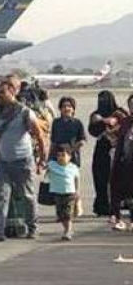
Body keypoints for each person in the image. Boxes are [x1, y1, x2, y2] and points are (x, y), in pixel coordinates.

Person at [0, 76, 47, 241]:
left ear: (12, 92)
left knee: (28, 196)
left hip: (23, 161)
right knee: (1, 196)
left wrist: (42, 159)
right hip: (3, 161)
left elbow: (39, 135)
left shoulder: (24, 112)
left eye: (2, 92)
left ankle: (33, 227)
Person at [88, 90, 125, 218]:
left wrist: (103, 121)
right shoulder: (95, 114)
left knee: (117, 179)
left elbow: (123, 125)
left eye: (105, 99)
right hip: (101, 151)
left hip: (118, 150)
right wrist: (102, 122)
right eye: (100, 99)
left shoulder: (120, 112)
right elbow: (93, 131)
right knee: (100, 178)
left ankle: (117, 206)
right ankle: (102, 206)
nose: (102, 102)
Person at [47, 145, 79, 241]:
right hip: (57, 193)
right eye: (58, 156)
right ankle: (67, 229)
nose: (60, 158)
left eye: (63, 155)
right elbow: (43, 165)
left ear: (69, 157)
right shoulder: (52, 165)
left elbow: (77, 179)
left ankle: (68, 231)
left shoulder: (73, 167)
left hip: (70, 194)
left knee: (67, 213)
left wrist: (77, 192)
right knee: (60, 214)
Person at [110, 95, 133, 231]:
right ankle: (118, 219)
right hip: (124, 162)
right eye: (131, 105)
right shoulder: (125, 122)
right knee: (118, 191)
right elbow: (120, 140)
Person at [49, 97, 86, 167]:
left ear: (73, 109)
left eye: (69, 106)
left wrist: (70, 150)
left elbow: (82, 141)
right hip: (57, 158)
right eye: (64, 106)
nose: (66, 108)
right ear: (60, 109)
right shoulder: (56, 123)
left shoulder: (77, 123)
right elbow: (53, 142)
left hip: (73, 158)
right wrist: (49, 160)